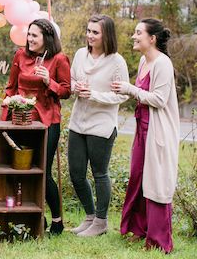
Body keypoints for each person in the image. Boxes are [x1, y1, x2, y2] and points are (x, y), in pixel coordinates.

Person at [112, 18, 180, 254]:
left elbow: (159, 100)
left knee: (156, 181)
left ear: (152, 39)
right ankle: (140, 230)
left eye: (138, 32)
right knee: (139, 178)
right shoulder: (143, 60)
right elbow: (144, 93)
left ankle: (159, 241)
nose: (133, 36)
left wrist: (130, 89)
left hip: (157, 131)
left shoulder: (163, 64)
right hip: (142, 129)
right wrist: (130, 89)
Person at [1, 18, 71, 235]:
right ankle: (30, 217)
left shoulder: (59, 59)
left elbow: (67, 91)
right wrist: (6, 106)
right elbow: (11, 87)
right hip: (21, 119)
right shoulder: (20, 55)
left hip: (47, 120)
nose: (30, 39)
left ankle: (57, 221)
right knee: (18, 169)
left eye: (35, 35)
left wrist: (49, 81)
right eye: (29, 34)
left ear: (46, 39)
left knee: (43, 171)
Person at [68, 15, 129, 237]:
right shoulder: (80, 55)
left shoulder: (116, 61)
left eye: (95, 32)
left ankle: (101, 222)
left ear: (106, 35)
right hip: (78, 123)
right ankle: (90, 217)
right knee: (76, 173)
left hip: (101, 125)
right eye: (88, 30)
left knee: (99, 173)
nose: (90, 35)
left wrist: (94, 94)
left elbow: (122, 95)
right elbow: (72, 80)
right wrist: (76, 87)